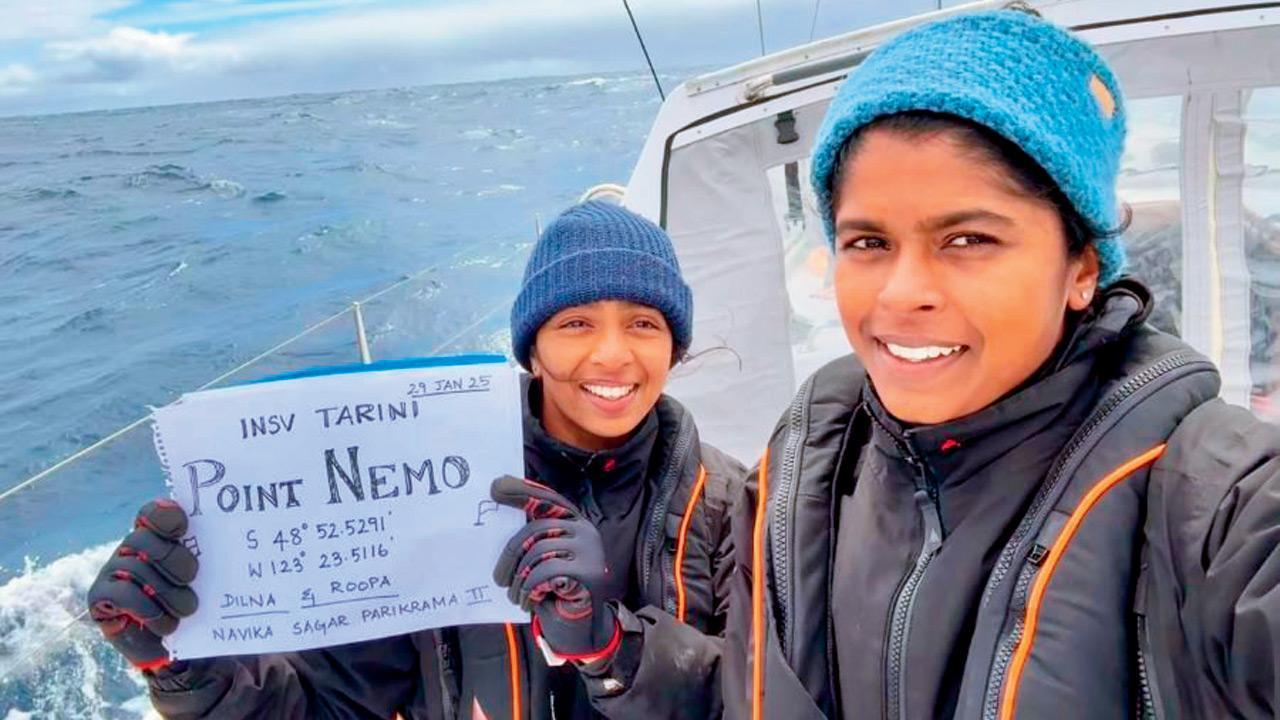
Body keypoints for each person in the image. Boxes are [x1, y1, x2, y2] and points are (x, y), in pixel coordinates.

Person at [724, 9, 1280, 720]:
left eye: (968, 240)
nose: (902, 293)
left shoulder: (1216, 499)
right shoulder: (805, 468)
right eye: (868, 243)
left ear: (1082, 268)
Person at [88, 201, 744, 720]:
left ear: (674, 347)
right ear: (533, 349)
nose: (612, 355)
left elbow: (757, 696)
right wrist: (182, 664)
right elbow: (330, 705)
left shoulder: (733, 505)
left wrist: (614, 648)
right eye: (575, 323)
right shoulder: (421, 487)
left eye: (644, 323)